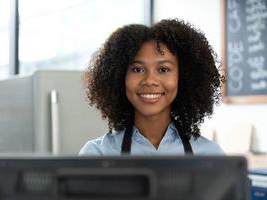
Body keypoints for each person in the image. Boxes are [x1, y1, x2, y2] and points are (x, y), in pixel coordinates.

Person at [79, 19, 225, 156]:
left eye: (163, 69)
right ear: (120, 76)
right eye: (137, 69)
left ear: (184, 76)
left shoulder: (210, 155)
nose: (150, 81)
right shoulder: (97, 154)